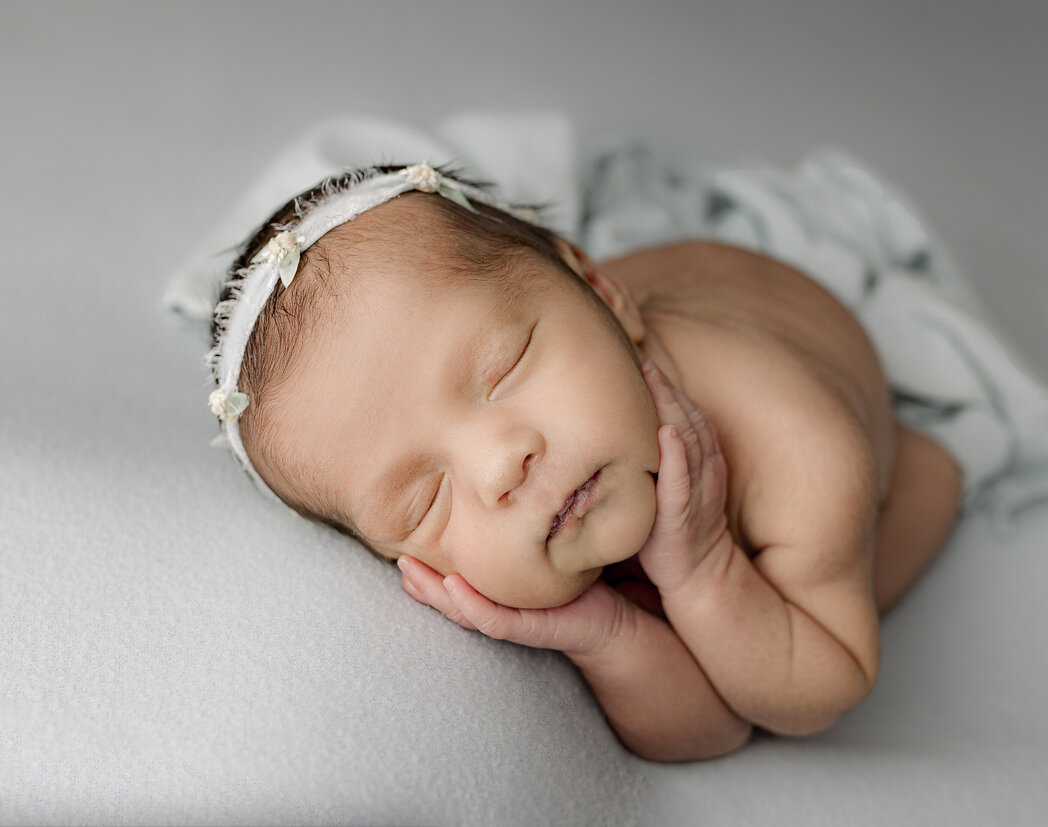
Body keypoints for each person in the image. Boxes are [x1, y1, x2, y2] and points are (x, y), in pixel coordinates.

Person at [206, 163, 963, 763]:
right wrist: (605, 635)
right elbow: (707, 733)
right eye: (423, 502)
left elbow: (821, 690)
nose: (501, 466)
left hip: (794, 342)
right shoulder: (568, 478)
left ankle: (929, 471)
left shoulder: (797, 445)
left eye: (505, 367)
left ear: (604, 294)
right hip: (591, 309)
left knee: (924, 483)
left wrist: (702, 569)